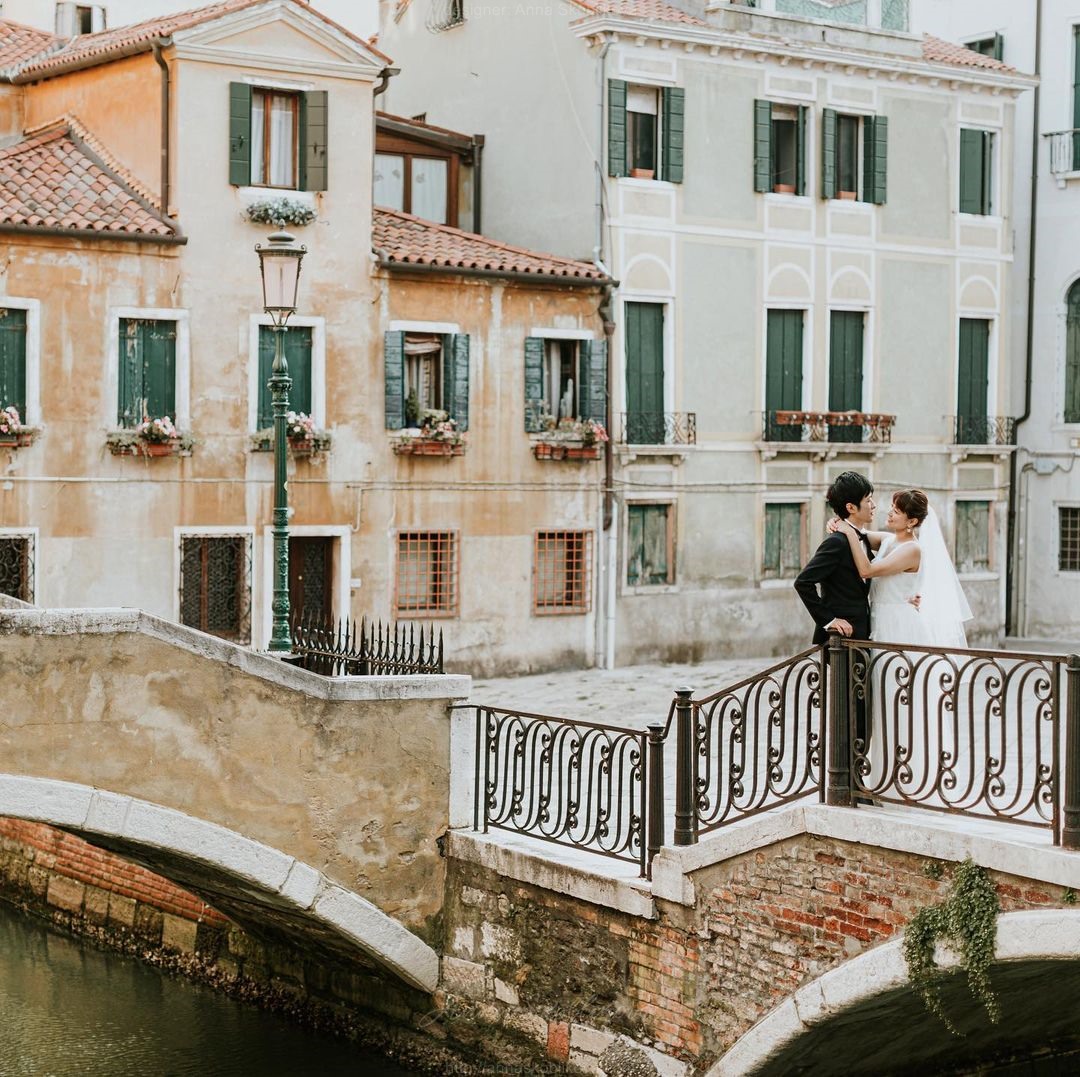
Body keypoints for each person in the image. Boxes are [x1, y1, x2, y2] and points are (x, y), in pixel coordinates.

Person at [836, 489, 972, 648]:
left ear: (912, 521)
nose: (889, 513)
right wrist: (836, 523)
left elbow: (867, 570)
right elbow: (859, 533)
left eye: (896, 512)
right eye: (891, 508)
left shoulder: (912, 550)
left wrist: (848, 532)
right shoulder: (887, 540)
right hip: (879, 619)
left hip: (899, 624)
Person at [793, 471, 876, 644]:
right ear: (851, 507)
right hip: (839, 639)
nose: (873, 505)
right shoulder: (836, 542)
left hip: (862, 633)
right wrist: (829, 620)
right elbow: (802, 582)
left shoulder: (863, 538)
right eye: (868, 500)